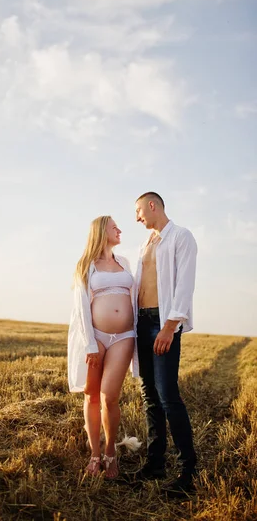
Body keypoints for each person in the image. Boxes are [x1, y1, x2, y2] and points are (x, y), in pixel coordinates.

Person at [131, 191, 197, 497]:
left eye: (139, 211)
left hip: (163, 322)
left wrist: (170, 326)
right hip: (141, 323)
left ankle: (188, 471)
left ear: (152, 205)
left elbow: (184, 284)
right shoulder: (145, 244)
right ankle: (154, 464)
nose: (137, 218)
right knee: (150, 396)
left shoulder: (181, 237)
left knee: (168, 394)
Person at [68, 215, 141, 479]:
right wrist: (89, 343)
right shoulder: (87, 265)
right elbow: (81, 308)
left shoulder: (125, 263)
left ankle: (111, 453)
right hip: (95, 337)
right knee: (91, 395)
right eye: (114, 227)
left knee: (109, 396)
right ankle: (94, 454)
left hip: (123, 336)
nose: (120, 230)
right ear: (102, 232)